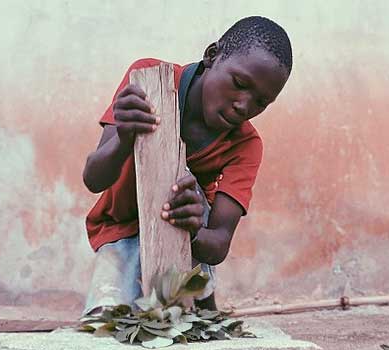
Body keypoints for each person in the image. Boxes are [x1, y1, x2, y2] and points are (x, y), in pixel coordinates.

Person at [82, 16, 292, 314]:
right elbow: (94, 180)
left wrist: (193, 229)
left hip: (185, 240)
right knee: (106, 326)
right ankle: (199, 306)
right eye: (239, 84)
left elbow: (218, 243)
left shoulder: (245, 145)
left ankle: (202, 303)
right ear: (212, 55)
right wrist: (124, 138)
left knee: (192, 197)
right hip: (121, 232)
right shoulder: (149, 81)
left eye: (261, 102)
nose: (244, 106)